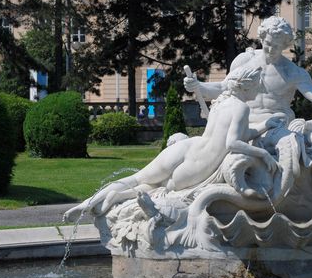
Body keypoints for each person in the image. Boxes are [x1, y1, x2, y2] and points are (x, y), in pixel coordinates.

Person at [64, 67, 282, 222]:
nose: (258, 92)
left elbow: (240, 133)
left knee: (138, 178)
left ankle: (91, 202)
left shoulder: (221, 103)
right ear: (246, 86)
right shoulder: (241, 108)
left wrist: (265, 125)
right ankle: (113, 198)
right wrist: (263, 154)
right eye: (257, 87)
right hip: (199, 166)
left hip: (187, 148)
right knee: (158, 189)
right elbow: (233, 141)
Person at [184, 16, 312, 135]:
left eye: (277, 46)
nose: (271, 49)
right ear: (262, 38)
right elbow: (224, 88)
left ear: (285, 45)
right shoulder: (245, 60)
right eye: (268, 43)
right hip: (242, 124)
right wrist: (199, 86)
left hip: (277, 128)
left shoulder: (292, 72)